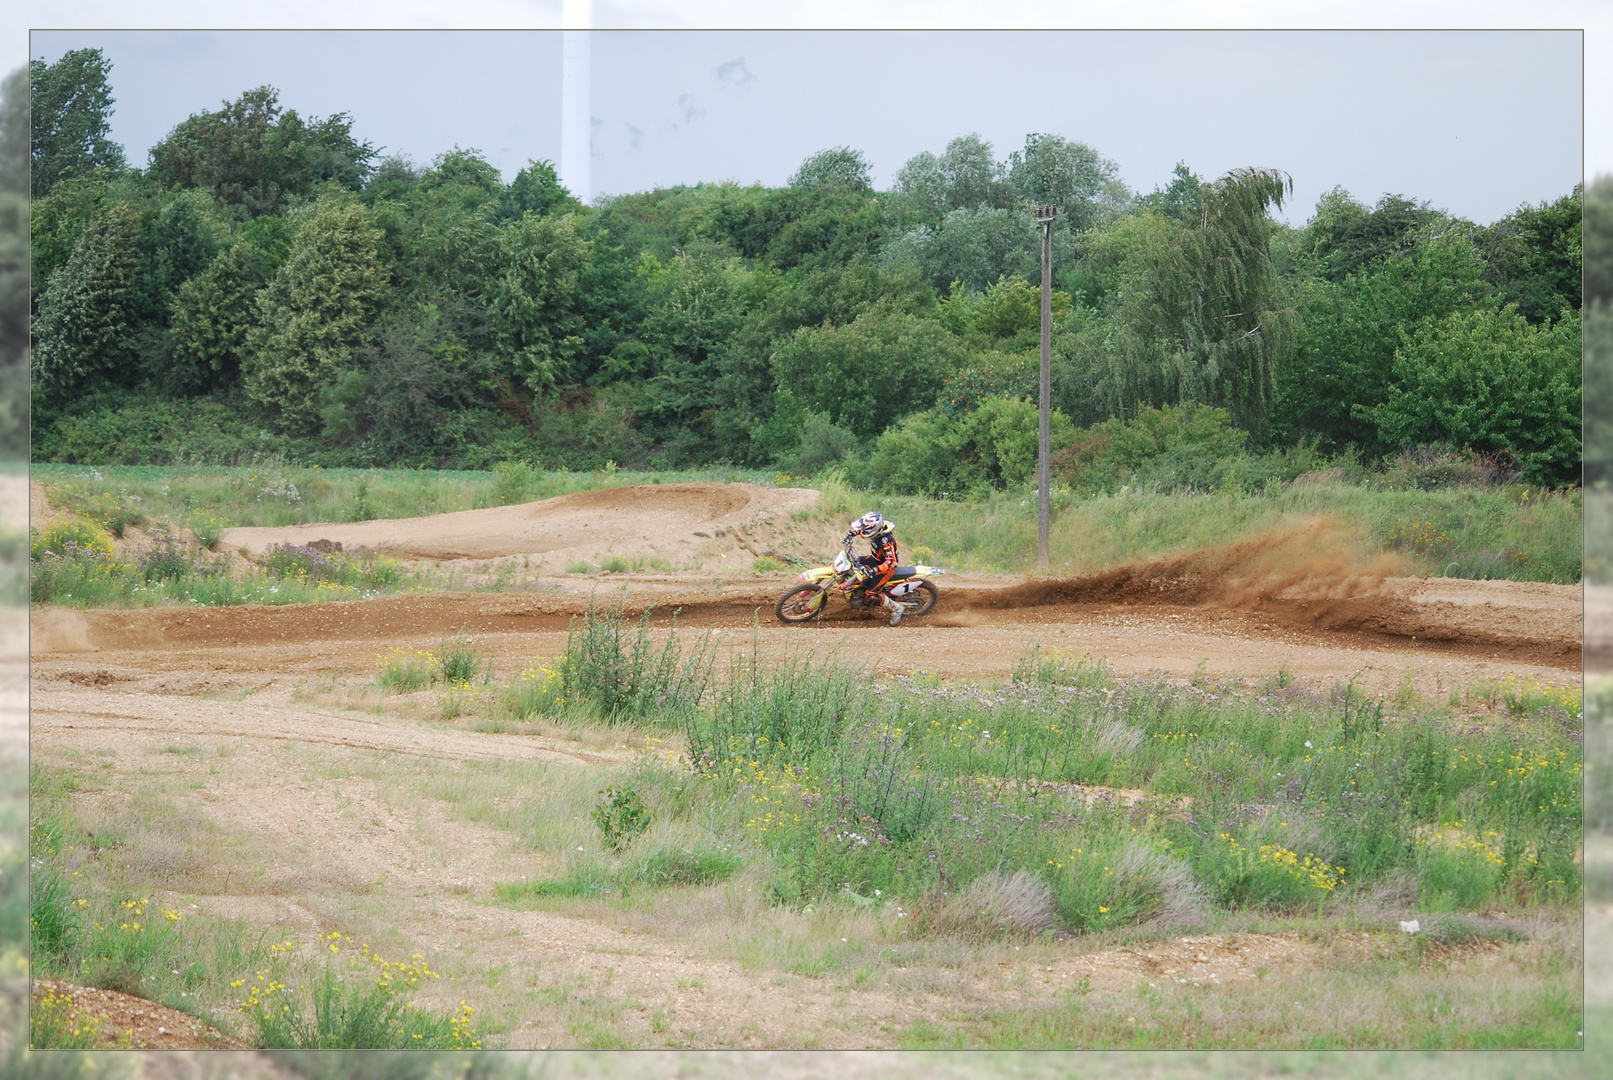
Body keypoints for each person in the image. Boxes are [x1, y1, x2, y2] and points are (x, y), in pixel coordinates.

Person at [843, 511, 905, 625]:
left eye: (866, 530)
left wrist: (874, 570)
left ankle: (897, 608)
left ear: (875, 529)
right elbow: (863, 528)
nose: (864, 532)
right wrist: (852, 533)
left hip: (885, 568)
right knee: (854, 563)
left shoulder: (885, 541)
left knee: (871, 596)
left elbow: (891, 562)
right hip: (875, 559)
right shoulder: (878, 530)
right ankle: (859, 590)